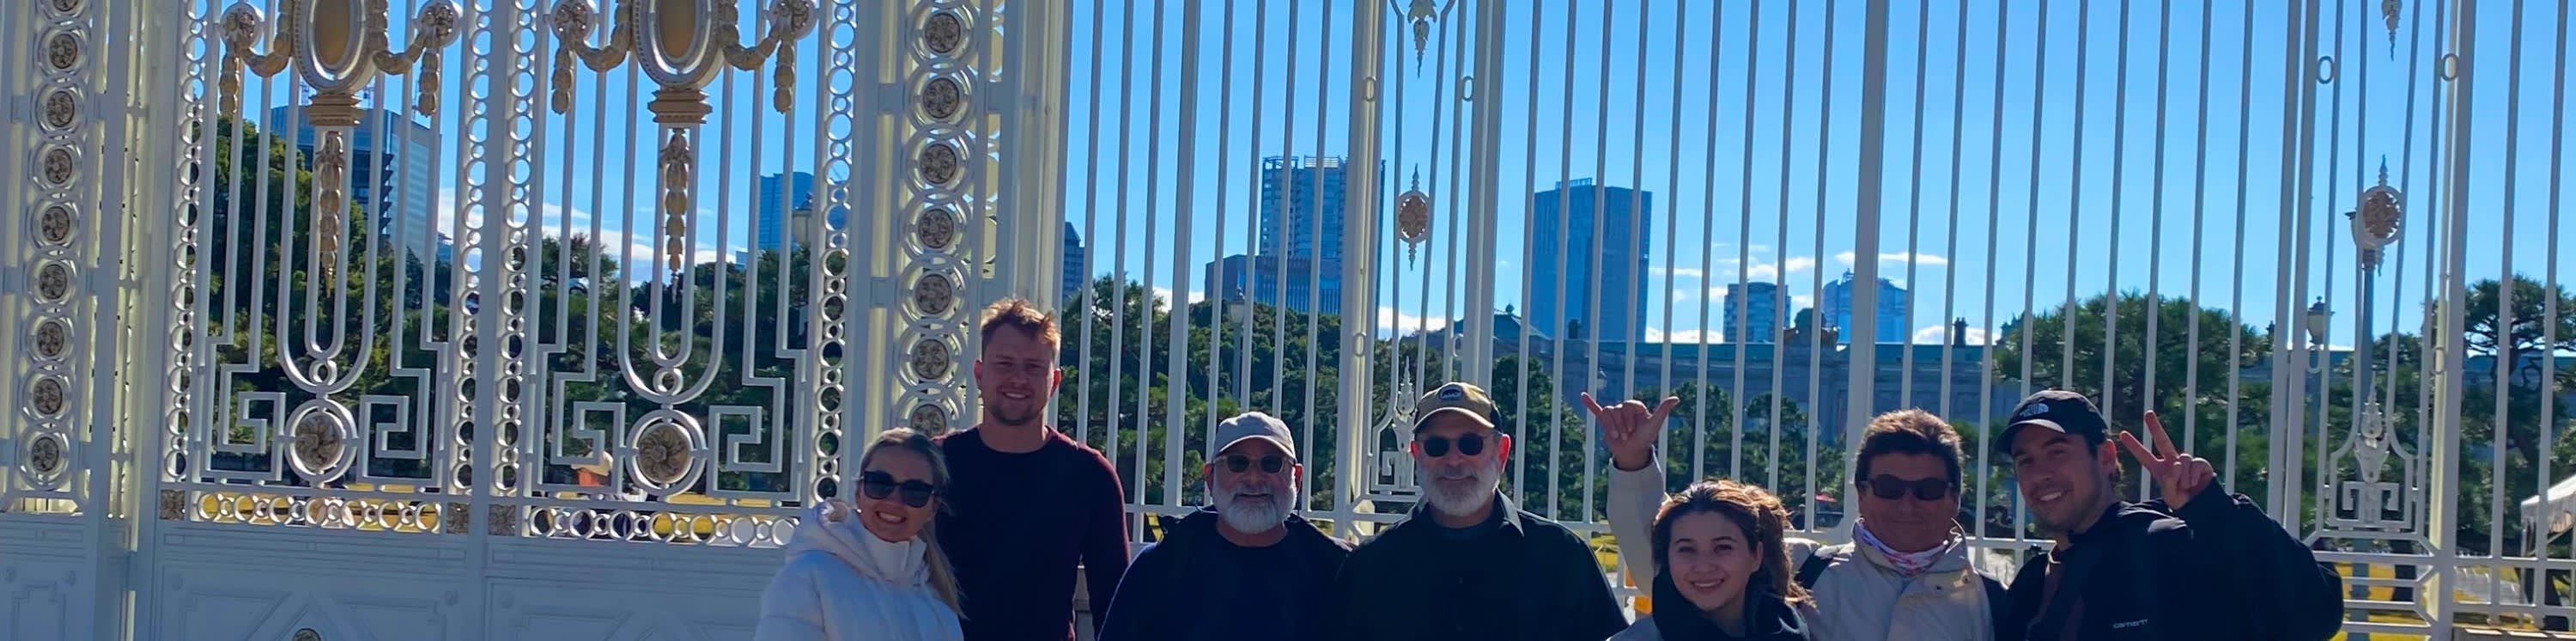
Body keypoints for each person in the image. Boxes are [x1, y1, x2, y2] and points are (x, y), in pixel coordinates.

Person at [1605, 401, 2011, 641]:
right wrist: (1634, 464)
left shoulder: (1994, 601)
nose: (1908, 504)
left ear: (1955, 498)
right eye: (1889, 488)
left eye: (1927, 490)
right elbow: (1672, 555)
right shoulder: (1801, 569)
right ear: (1861, 493)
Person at [1993, 389, 2344, 640]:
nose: (2041, 474)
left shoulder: (2167, 546)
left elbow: (2315, 614)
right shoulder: (2031, 585)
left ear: (2106, 457)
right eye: (2026, 461)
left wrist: (2214, 510)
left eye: (2057, 452)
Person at [1327, 382, 1629, 641]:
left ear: (1502, 452)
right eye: (1437, 446)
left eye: (1470, 444)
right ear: (1417, 454)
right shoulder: (1371, 566)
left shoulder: (1563, 558)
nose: (1454, 460)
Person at [935, 298, 1129, 641]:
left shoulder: (1089, 476)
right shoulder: (934, 464)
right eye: (1005, 364)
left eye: (1033, 367)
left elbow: (1116, 608)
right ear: (979, 374)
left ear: (1054, 381)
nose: (1018, 379)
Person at [1096, 411, 1354, 640]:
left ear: (1296, 477)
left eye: (1271, 464)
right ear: (1210, 477)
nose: (1254, 478)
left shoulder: (1336, 570)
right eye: (1237, 463)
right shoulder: (1162, 566)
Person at [754, 428, 965, 641]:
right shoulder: (808, 577)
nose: (894, 500)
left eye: (915, 491)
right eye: (880, 483)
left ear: (933, 508)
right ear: (858, 492)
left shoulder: (934, 592)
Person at [1610, 479, 1816, 641]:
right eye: (1687, 549)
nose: (1704, 566)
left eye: (1723, 547)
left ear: (1756, 556)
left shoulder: (1792, 631)